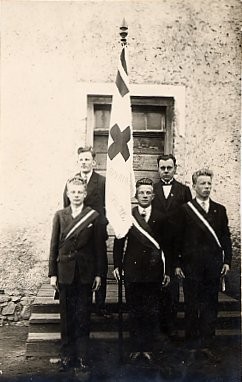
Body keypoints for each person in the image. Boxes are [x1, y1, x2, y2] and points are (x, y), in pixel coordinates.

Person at [49, 177, 106, 373]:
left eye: (79, 192)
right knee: (66, 317)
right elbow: (54, 246)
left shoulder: (94, 216)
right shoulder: (60, 215)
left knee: (83, 316)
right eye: (72, 192)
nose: (76, 195)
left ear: (85, 194)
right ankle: (67, 355)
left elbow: (99, 248)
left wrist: (99, 274)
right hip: (64, 273)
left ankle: (83, 356)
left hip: (85, 274)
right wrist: (52, 274)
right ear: (67, 194)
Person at [175, 169, 232, 361]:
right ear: (194, 186)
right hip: (191, 267)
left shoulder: (219, 209)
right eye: (202, 183)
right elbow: (178, 240)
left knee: (210, 306)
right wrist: (177, 264)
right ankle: (191, 346)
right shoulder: (185, 210)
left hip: (213, 266)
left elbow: (225, 238)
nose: (206, 187)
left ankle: (207, 345)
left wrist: (227, 261)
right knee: (191, 306)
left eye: (209, 183)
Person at [113, 178, 170, 363]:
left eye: (147, 193)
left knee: (151, 311)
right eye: (141, 193)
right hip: (133, 270)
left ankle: (148, 349)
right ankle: (135, 348)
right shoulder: (128, 217)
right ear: (135, 196)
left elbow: (168, 246)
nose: (144, 196)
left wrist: (167, 270)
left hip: (154, 271)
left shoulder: (161, 217)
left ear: (153, 195)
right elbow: (119, 242)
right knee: (134, 310)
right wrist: (117, 265)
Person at [63, 146, 110, 318]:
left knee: (100, 265)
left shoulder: (102, 182)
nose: (84, 162)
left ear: (94, 162)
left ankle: (100, 305)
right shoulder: (71, 183)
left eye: (87, 159)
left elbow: (108, 206)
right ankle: (82, 306)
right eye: (81, 159)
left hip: (96, 231)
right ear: (78, 162)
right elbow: (65, 208)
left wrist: (102, 224)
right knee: (79, 267)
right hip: (77, 235)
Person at [152, 154, 192, 337]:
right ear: (158, 168)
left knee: (173, 289)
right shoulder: (151, 190)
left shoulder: (184, 191)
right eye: (163, 168)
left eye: (169, 167)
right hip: (156, 245)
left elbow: (190, 220)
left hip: (176, 247)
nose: (166, 171)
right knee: (156, 286)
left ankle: (172, 329)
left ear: (175, 168)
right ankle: (157, 330)